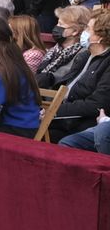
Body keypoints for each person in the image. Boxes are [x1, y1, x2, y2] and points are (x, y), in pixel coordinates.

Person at [44, 11, 110, 142]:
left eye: (88, 29)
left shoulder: (107, 63)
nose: (83, 32)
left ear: (100, 37)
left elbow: (96, 104)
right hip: (60, 112)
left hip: (77, 122)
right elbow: (66, 85)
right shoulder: (84, 56)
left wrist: (55, 111)